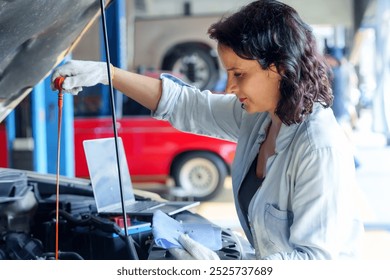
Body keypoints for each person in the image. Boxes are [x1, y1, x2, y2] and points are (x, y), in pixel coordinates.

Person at [51, 0, 364, 260]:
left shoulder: (318, 148)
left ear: (280, 68)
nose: (230, 87)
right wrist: (109, 74)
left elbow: (317, 264)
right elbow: (188, 105)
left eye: (239, 74)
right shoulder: (261, 118)